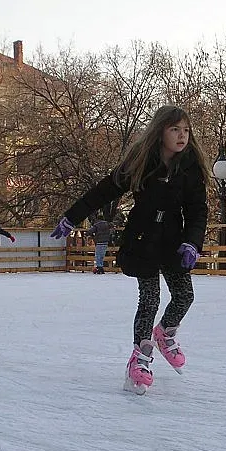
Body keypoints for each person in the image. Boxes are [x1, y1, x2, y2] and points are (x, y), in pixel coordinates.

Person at [49, 105, 209, 394]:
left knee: (185, 296)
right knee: (150, 299)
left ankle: (165, 332)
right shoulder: (140, 161)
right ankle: (140, 356)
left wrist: (192, 242)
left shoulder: (191, 166)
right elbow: (105, 190)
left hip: (174, 239)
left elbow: (198, 210)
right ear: (161, 132)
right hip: (143, 239)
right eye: (175, 129)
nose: (182, 135)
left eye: (185, 130)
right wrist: (71, 217)